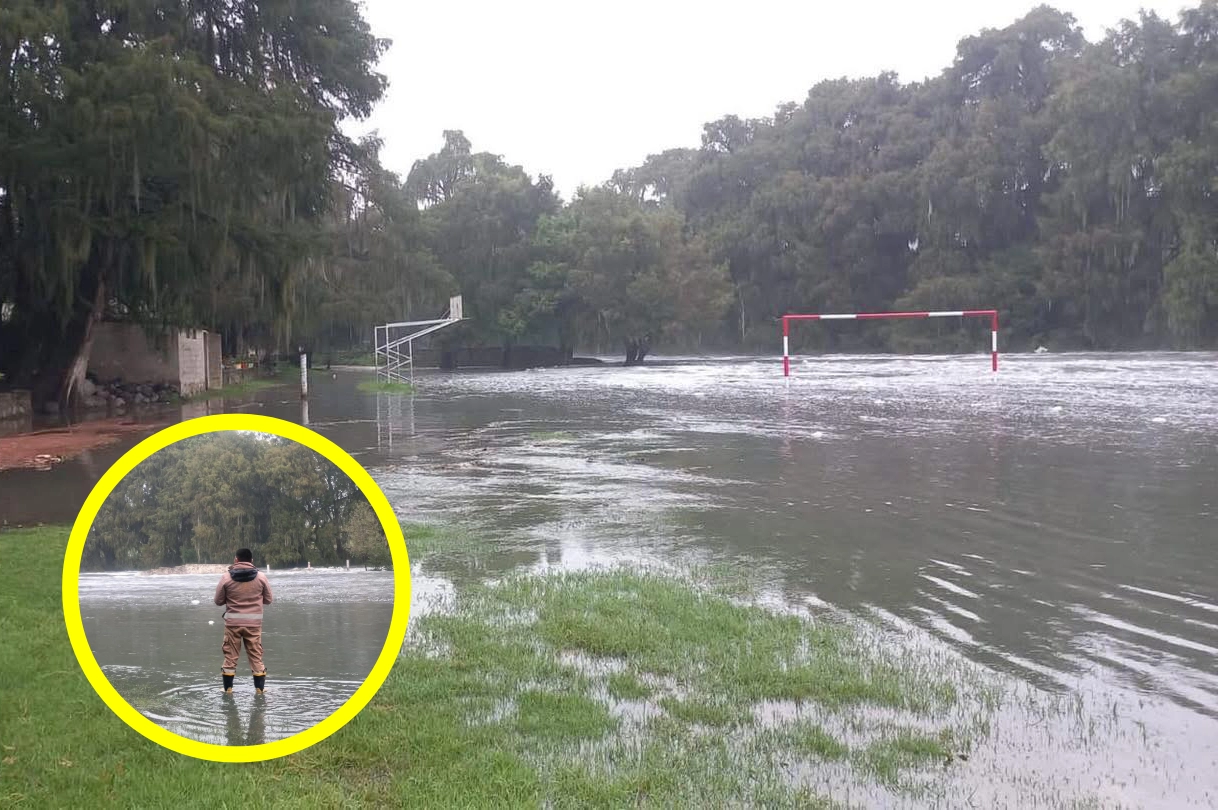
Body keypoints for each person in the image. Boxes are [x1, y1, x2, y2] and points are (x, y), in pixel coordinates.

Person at [213, 548, 272, 694]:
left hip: (233, 624)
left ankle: (228, 689)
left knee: (230, 657)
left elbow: (218, 601)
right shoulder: (261, 577)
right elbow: (269, 600)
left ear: (236, 560)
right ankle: (259, 689)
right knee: (256, 656)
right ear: (251, 561)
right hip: (254, 625)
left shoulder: (226, 578)